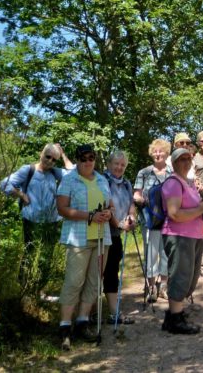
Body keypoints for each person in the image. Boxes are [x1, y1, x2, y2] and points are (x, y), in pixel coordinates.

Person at [56, 144, 113, 350]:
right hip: (78, 238)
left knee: (94, 281)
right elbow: (62, 209)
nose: (88, 162)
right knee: (74, 282)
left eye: (91, 158)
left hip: (101, 237)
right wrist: (89, 216)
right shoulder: (69, 180)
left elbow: (110, 204)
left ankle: (82, 321)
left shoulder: (102, 179)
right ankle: (65, 327)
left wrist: (108, 213)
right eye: (83, 158)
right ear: (77, 159)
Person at [5, 143, 74, 296]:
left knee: (46, 256)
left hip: (51, 222)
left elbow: (73, 173)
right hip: (31, 220)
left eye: (54, 159)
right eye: (48, 157)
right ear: (41, 154)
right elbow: (5, 184)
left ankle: (39, 291)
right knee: (29, 254)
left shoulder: (55, 173)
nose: (50, 161)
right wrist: (21, 194)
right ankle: (24, 290)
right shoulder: (28, 170)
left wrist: (62, 154)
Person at [161, 147, 203, 334]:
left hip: (194, 235)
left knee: (190, 278)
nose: (186, 162)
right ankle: (175, 320)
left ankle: (173, 315)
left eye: (188, 158)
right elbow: (174, 213)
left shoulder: (189, 183)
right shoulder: (173, 183)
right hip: (178, 236)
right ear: (174, 163)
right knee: (180, 276)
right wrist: (201, 209)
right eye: (181, 159)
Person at [133, 139, 172, 302]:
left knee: (166, 252)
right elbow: (136, 194)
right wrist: (142, 200)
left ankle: (163, 286)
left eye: (161, 151)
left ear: (166, 153)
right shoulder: (144, 172)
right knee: (150, 252)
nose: (158, 154)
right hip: (149, 219)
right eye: (155, 151)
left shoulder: (172, 172)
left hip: (169, 220)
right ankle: (151, 287)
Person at [102, 150, 137, 325]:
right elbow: (105, 206)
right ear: (109, 164)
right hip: (102, 233)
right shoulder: (102, 180)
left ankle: (113, 312)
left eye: (123, 165)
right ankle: (90, 313)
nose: (119, 167)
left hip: (116, 234)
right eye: (116, 163)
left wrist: (131, 217)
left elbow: (131, 203)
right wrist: (119, 224)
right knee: (99, 272)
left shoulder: (126, 183)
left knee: (111, 271)